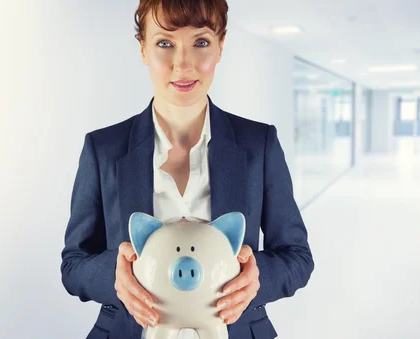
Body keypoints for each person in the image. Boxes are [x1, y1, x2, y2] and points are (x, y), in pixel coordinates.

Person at [60, 0, 314, 338]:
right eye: (164, 43)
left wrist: (256, 278)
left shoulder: (259, 144)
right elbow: (74, 263)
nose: (183, 64)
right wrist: (114, 277)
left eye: (201, 42)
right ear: (143, 49)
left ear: (221, 46)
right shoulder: (103, 148)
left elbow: (297, 257)